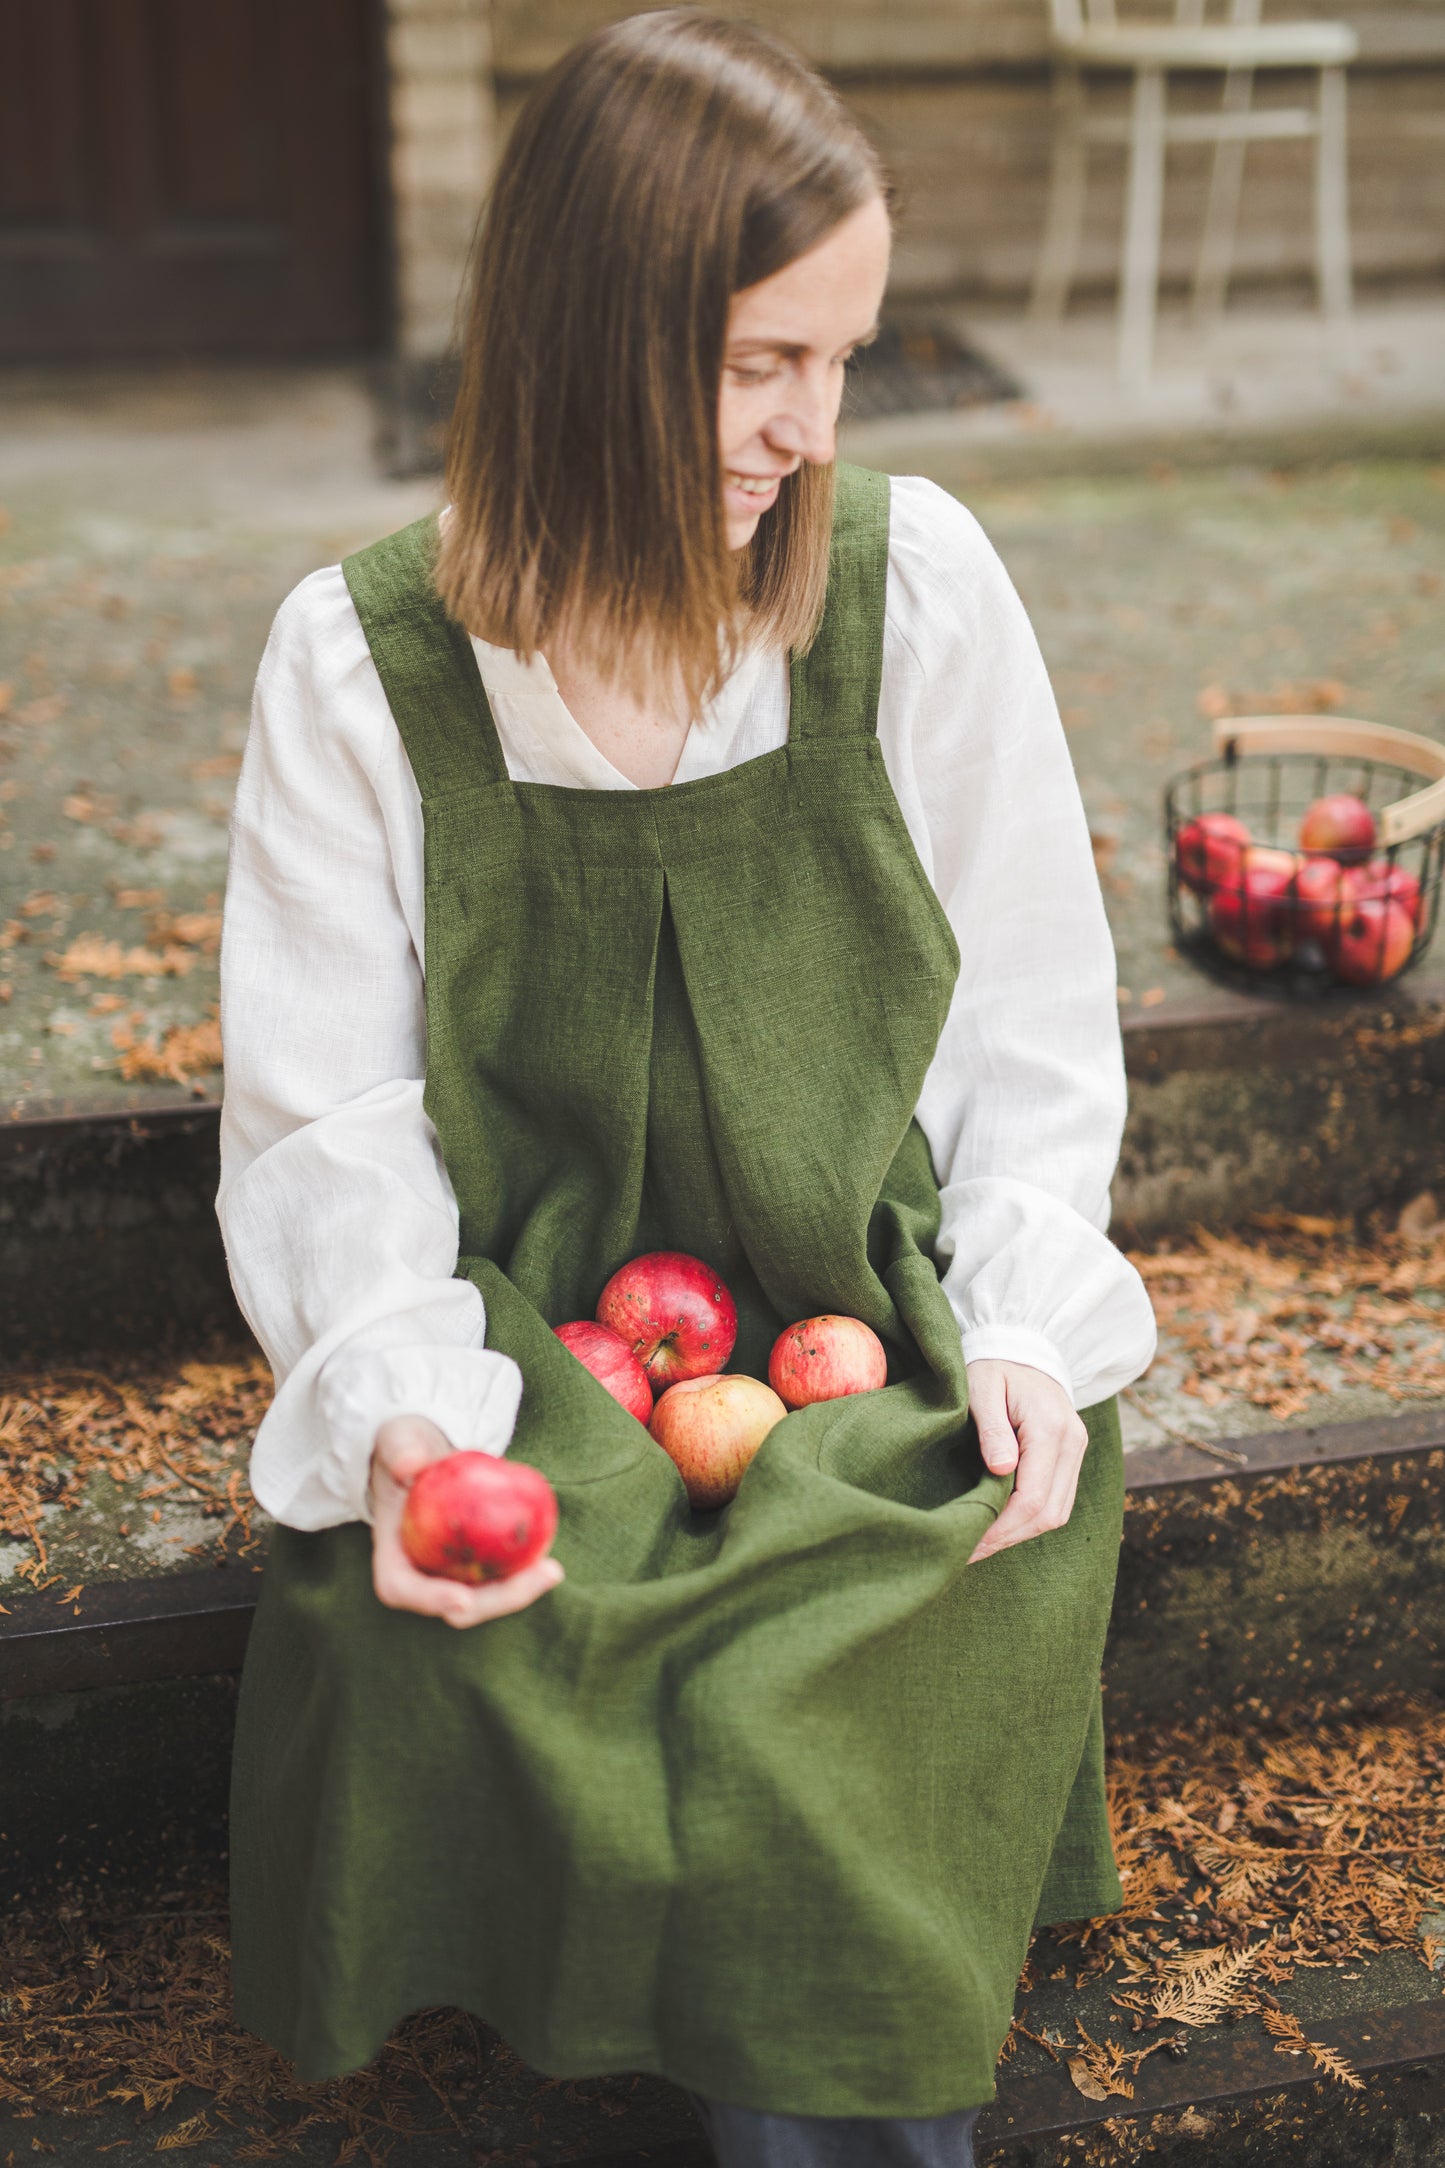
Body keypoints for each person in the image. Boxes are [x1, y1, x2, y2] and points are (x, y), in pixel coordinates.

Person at [217, 13, 1158, 2165]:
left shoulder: (914, 594)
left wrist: (1012, 1326)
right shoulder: (361, 670)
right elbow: (326, 1127)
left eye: (842, 359)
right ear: (586, 339)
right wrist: (406, 1427)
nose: (811, 428)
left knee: (889, 1613)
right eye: (761, 364)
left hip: (870, 1327)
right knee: (462, 1634)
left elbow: (1034, 1020)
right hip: (526, 1342)